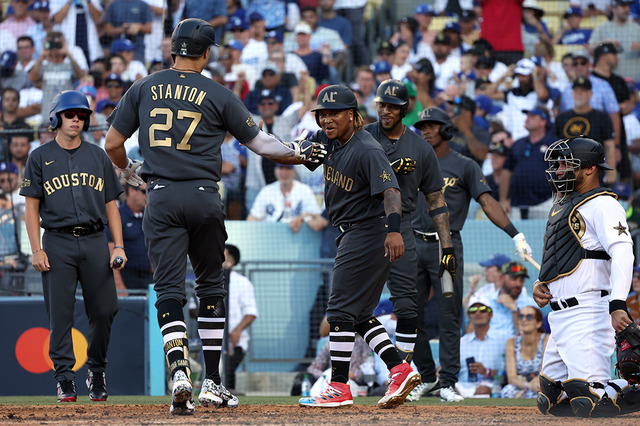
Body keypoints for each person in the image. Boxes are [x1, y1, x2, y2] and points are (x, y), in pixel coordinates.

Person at [104, 18, 325, 416]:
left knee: (169, 289)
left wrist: (128, 169)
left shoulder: (143, 87)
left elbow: (112, 143)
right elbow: (262, 144)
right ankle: (212, 382)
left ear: (173, 49)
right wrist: (300, 151)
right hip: (205, 196)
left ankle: (178, 372)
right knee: (210, 286)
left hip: (162, 197)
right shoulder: (217, 92)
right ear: (206, 53)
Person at [297, 85, 420, 409]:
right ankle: (400, 368)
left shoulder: (366, 148)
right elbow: (302, 154)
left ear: (353, 115)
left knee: (338, 311)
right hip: (355, 232)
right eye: (322, 114)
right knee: (361, 314)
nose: (326, 119)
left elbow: (391, 191)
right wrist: (294, 146)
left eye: (334, 113)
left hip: (366, 232)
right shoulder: (330, 139)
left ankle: (338, 384)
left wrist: (393, 232)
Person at [409, 107, 532, 403]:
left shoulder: (464, 165)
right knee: (407, 313)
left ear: (445, 130)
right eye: (422, 126)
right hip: (413, 244)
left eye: (430, 126)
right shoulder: (411, 163)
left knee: (450, 315)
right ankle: (427, 377)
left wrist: (515, 233)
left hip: (446, 247)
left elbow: (487, 203)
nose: (424, 130)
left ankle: (448, 381)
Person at [20, 90, 125, 403]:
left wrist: (117, 245)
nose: (76, 119)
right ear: (56, 118)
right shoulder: (38, 157)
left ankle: (97, 369)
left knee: (106, 309)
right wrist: (36, 249)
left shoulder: (98, 155)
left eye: (81, 115)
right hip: (57, 241)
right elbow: (31, 208)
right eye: (70, 114)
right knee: (61, 315)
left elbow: (111, 205)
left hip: (95, 240)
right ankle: (65, 378)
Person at [533, 137, 635, 417]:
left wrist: (617, 303)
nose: (559, 170)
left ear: (590, 169)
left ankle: (628, 388)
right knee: (550, 401)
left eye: (567, 164)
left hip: (588, 311)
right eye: (558, 164)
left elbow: (623, 254)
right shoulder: (563, 204)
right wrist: (542, 283)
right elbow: (565, 257)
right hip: (560, 314)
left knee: (590, 402)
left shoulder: (603, 204)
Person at [364, 79, 451, 364]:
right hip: (363, 223)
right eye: (382, 105)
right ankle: (391, 367)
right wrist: (387, 170)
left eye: (393, 106)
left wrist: (446, 247)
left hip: (402, 227)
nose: (386, 111)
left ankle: (402, 371)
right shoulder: (362, 137)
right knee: (352, 304)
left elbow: (436, 201)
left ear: (405, 109)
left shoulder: (421, 148)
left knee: (407, 304)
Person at [553, 77, 616, 183]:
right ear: (572, 94)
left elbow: (610, 147)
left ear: (590, 94)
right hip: (567, 175)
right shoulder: (561, 118)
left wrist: (611, 173)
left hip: (593, 176)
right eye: (576, 91)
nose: (579, 94)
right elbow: (554, 147)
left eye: (582, 91)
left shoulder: (602, 118)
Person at [499, 107, 555, 220]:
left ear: (543, 121)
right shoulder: (518, 144)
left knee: (544, 236)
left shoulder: (554, 144)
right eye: (527, 116)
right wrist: (503, 199)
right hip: (517, 203)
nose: (527, 119)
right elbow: (506, 171)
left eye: (533, 116)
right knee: (518, 237)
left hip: (545, 203)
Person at [456, 301, 510, 398]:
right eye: (473, 310)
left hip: (493, 386)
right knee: (450, 389)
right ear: (469, 316)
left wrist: (487, 372)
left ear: (491, 314)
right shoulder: (461, 342)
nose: (477, 313)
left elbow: (507, 375)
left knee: (483, 390)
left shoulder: (503, 339)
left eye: (483, 310)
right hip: (462, 386)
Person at [106, 183, 152, 292]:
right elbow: (110, 250)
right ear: (131, 191)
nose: (148, 196)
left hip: (148, 278)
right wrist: (119, 285)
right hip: (127, 278)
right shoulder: (118, 216)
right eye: (144, 192)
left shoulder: (149, 215)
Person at [474, 261, 536, 336]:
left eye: (521, 280)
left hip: (516, 346)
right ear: (501, 278)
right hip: (490, 346)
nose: (518, 284)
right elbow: (472, 332)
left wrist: (515, 308)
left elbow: (528, 337)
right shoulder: (485, 301)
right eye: (514, 278)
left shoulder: (531, 304)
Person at [247, 163, 321, 226]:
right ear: (275, 170)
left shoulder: (304, 190)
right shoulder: (266, 191)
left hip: (299, 238)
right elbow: (252, 218)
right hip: (271, 236)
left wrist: (302, 218)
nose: (284, 172)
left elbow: (317, 216)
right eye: (281, 168)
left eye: (288, 168)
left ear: (294, 171)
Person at [500, 306, 548, 398]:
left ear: (538, 323)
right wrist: (528, 386)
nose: (524, 320)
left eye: (529, 317)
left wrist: (533, 386)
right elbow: (512, 378)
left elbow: (544, 373)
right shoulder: (511, 342)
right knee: (507, 390)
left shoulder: (546, 339)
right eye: (521, 316)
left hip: (541, 384)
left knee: (541, 392)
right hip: (522, 385)